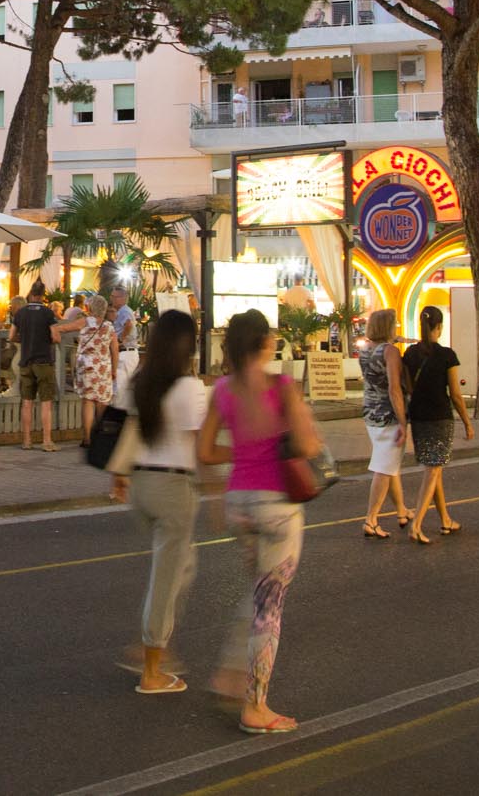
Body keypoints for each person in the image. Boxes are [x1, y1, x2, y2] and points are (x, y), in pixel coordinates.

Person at [196, 310, 321, 735]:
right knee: (270, 606)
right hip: (277, 508)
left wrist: (242, 455)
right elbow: (305, 443)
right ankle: (256, 705)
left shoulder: (222, 391)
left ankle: (230, 675)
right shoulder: (281, 387)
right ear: (265, 343)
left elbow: (205, 451)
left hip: (240, 504)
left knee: (256, 593)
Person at [110, 310, 206, 696]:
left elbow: (127, 428)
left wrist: (119, 474)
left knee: (183, 565)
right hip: (173, 490)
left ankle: (151, 645)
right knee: (167, 578)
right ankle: (151, 666)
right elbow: (202, 445)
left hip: (142, 486)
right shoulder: (188, 388)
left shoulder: (139, 382)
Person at [404, 305, 473, 543]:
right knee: (433, 469)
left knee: (435, 469)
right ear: (439, 327)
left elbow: (408, 388)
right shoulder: (447, 355)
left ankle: (445, 519)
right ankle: (417, 524)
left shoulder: (410, 354)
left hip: (418, 417)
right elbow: (455, 394)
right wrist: (467, 422)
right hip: (439, 417)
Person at [356, 308, 413, 538]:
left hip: (370, 411)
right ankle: (371, 519)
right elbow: (394, 388)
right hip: (388, 414)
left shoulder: (365, 350)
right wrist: (402, 421)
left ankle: (401, 510)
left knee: (389, 465)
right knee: (384, 468)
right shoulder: (390, 352)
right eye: (395, 324)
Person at [11, 281, 60, 452]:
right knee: (46, 402)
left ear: (31, 294)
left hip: (26, 361)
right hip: (44, 361)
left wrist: (25, 340)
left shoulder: (20, 313)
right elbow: (55, 337)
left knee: (27, 402)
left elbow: (11, 336)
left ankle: (26, 441)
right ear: (43, 295)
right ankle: (46, 441)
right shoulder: (48, 313)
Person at [73, 295, 117, 445]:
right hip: (103, 367)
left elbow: (65, 327)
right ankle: (101, 437)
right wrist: (114, 370)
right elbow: (115, 350)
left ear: (90, 308)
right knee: (102, 402)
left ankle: (87, 438)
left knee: (88, 402)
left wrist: (54, 329)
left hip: (86, 366)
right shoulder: (109, 326)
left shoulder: (85, 322)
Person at [109, 285, 140, 389]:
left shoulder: (124, 311)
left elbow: (129, 324)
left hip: (125, 352)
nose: (112, 299)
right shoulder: (120, 311)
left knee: (119, 387)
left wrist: (120, 340)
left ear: (123, 298)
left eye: (115, 297)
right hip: (123, 352)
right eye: (112, 296)